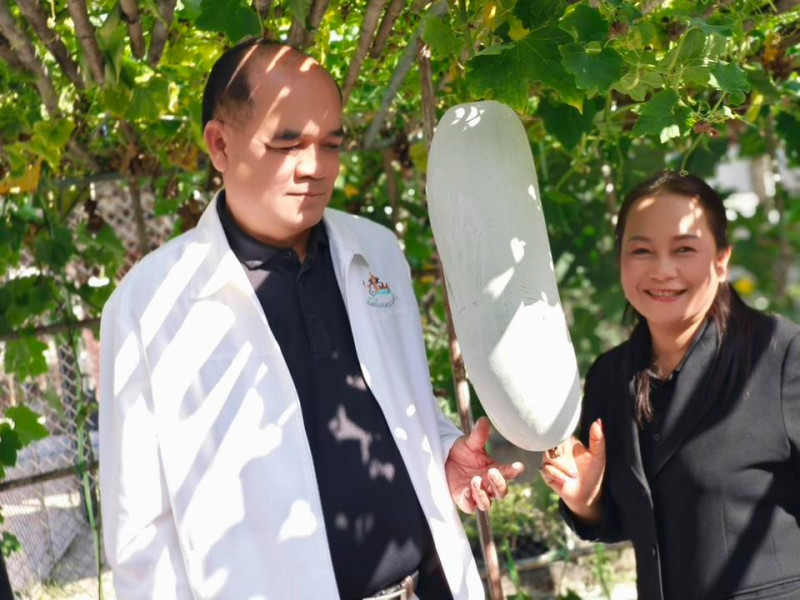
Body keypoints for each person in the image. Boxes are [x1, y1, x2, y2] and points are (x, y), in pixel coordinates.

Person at [99, 38, 524, 600]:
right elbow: (140, 536)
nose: (316, 166)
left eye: (332, 144)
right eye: (288, 143)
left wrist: (444, 451)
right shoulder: (150, 306)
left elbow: (402, 399)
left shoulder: (376, 251)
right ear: (220, 145)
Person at [540, 172, 800, 600]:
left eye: (684, 249)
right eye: (641, 250)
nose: (662, 270)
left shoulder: (779, 356)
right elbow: (640, 519)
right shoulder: (611, 377)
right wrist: (588, 501)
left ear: (721, 260)